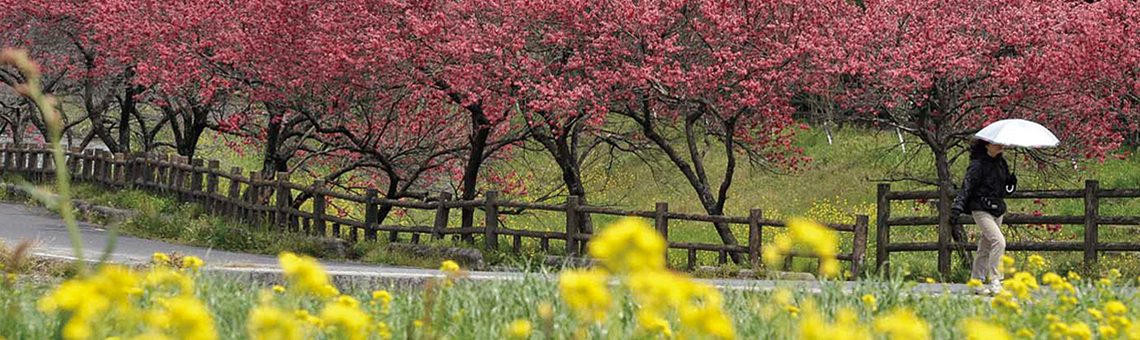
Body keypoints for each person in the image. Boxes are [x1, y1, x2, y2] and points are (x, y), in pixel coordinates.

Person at [952, 139, 1017, 295]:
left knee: (985, 247)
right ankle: (996, 280)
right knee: (999, 242)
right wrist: (957, 207)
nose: (1001, 145)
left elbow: (1004, 191)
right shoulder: (977, 165)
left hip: (997, 209)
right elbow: (967, 187)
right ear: (987, 145)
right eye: (996, 143)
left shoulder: (1002, 164)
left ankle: (976, 281)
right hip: (981, 209)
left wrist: (1011, 183)